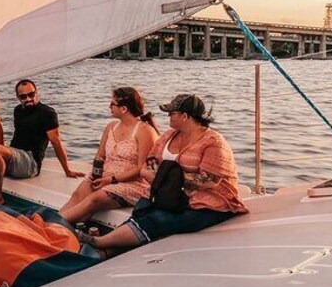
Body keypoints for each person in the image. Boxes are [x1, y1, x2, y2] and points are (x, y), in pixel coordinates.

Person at [81, 94, 248, 257]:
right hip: (169, 195)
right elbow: (148, 165)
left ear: (184, 116)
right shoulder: (168, 136)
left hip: (208, 203)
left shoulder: (214, 142)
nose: (168, 116)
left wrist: (166, 179)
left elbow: (209, 181)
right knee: (142, 208)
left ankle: (101, 243)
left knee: (160, 218)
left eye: (171, 113)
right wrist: (164, 180)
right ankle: (115, 249)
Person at [60, 87, 159, 225]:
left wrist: (110, 180)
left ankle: (53, 226)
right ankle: (50, 225)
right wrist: (96, 175)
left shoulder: (145, 131)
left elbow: (140, 170)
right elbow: (100, 155)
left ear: (124, 109)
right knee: (77, 196)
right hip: (105, 176)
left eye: (113, 103)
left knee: (93, 200)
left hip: (132, 183)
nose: (109, 106)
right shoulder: (111, 126)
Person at [0, 79, 83, 206]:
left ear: (37, 93)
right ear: (18, 97)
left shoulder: (47, 113)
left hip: (31, 162)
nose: (28, 99)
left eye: (31, 95)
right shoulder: (18, 111)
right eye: (23, 96)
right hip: (15, 155)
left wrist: (67, 170)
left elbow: (56, 142)